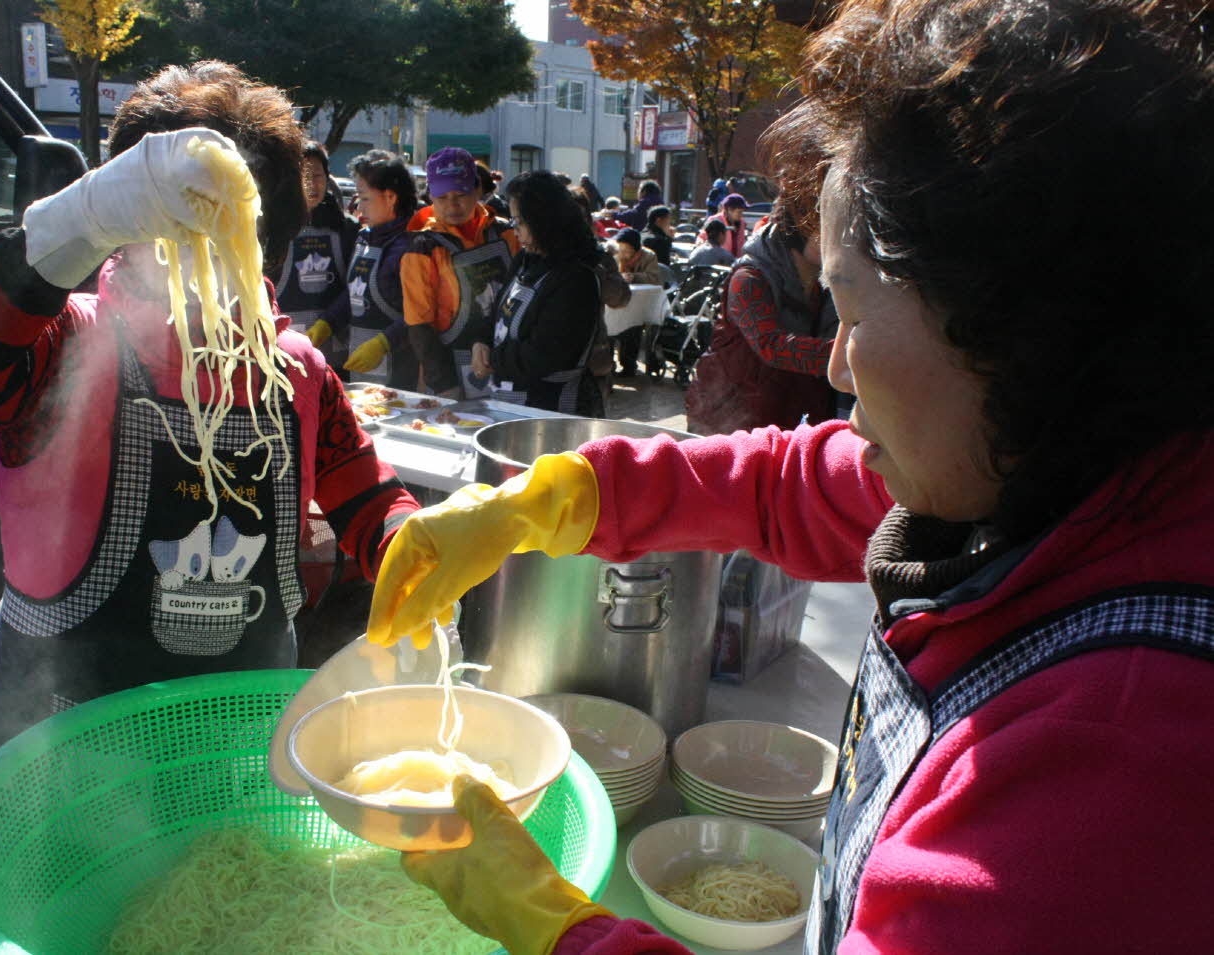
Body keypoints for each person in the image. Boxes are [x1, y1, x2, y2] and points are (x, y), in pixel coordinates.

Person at [366, 1, 1214, 952]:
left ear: (1014, 319)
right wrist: (548, 499)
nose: (839, 364)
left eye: (851, 304)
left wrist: (557, 929)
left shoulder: (1114, 769)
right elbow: (784, 483)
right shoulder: (1055, 456)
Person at [0, 61, 419, 752]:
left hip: (241, 759)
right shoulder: (70, 343)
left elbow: (366, 497)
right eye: (174, 234)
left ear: (265, 247)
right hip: (65, 770)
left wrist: (415, 551)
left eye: (233, 241)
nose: (200, 268)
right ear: (127, 221)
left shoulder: (296, 372)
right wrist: (76, 217)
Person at [684, 206, 838, 436]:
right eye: (827, 229)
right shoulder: (748, 278)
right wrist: (850, 354)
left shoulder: (825, 287)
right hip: (728, 416)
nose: (838, 239)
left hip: (785, 415)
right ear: (799, 230)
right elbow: (772, 346)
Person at [471, 170, 606, 417]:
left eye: (521, 222)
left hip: (553, 410)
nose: (516, 231)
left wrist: (492, 358)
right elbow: (500, 308)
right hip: (511, 400)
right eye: (513, 221)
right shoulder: (527, 258)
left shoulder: (577, 277)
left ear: (545, 219)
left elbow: (545, 355)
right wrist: (482, 339)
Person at [401, 147, 520, 397]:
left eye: (461, 195)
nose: (452, 205)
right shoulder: (422, 246)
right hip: (452, 369)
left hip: (507, 361)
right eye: (442, 198)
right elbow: (419, 323)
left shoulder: (505, 233)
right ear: (431, 197)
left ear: (477, 190)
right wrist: (443, 383)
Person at [309, 149, 421, 388]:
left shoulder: (412, 246)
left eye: (365, 197)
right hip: (362, 371)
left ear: (390, 198)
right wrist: (326, 323)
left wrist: (383, 343)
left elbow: (419, 313)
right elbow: (355, 293)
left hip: (401, 374)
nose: (359, 206)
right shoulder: (364, 237)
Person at [266, 140, 358, 354]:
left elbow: (355, 288)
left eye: (317, 176)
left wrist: (329, 322)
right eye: (304, 177)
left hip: (338, 347)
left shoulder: (347, 228)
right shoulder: (274, 228)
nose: (312, 184)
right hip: (285, 347)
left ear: (327, 177)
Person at [608, 227, 662, 378]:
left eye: (627, 250)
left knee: (633, 329)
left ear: (636, 250)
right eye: (621, 249)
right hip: (617, 300)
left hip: (639, 303)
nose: (623, 254)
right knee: (609, 328)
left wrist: (634, 276)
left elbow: (654, 278)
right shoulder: (614, 254)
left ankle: (629, 365)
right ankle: (608, 366)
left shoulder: (649, 256)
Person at [700, 192, 749, 258]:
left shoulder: (741, 223)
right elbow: (702, 237)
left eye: (742, 212)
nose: (741, 215)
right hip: (718, 261)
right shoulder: (715, 220)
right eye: (739, 212)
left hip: (735, 261)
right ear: (729, 210)